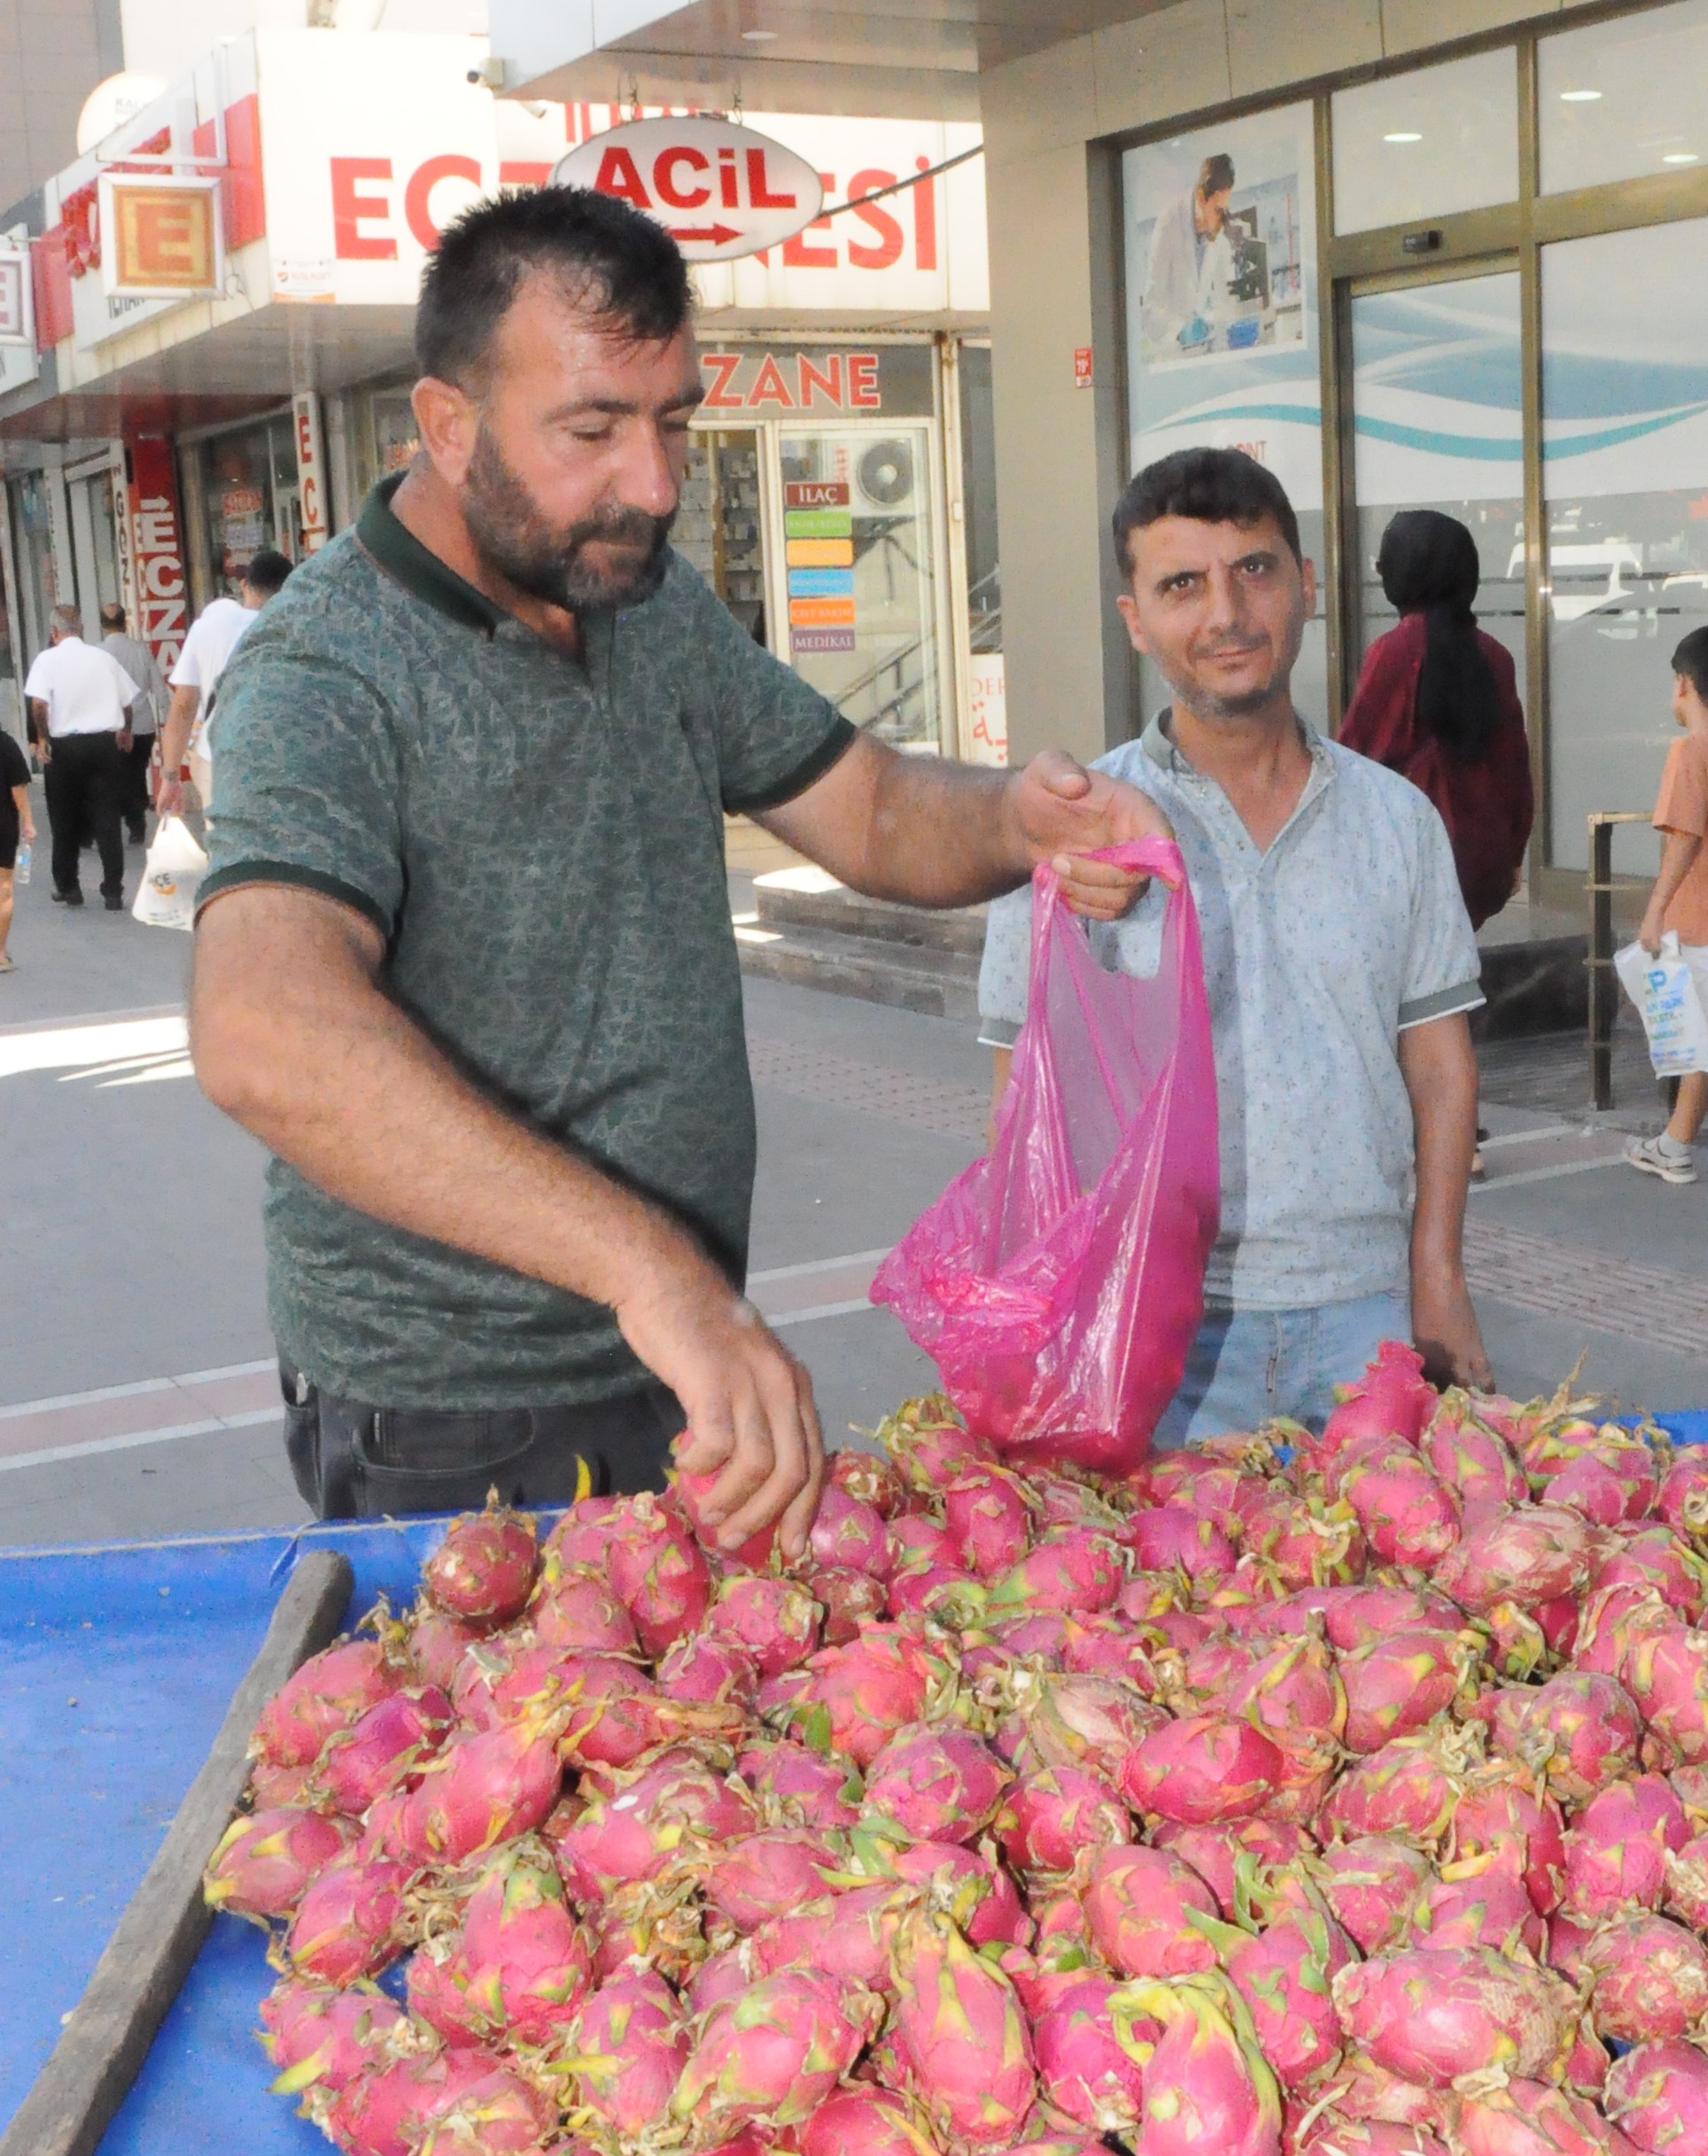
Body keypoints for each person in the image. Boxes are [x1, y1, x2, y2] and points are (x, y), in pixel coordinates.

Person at [187, 184, 1160, 1551]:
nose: (652, 486)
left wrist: (1019, 820)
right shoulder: (325, 670)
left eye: (675, 424)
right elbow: (261, 1029)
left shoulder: (639, 597)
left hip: (676, 1357)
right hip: (453, 1415)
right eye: (594, 430)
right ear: (449, 422)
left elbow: (869, 808)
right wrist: (649, 1268)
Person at [974, 444, 1491, 1443]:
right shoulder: (1076, 824)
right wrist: (1038, 1303)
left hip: (1363, 1311)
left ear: (1305, 584)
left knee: (1387, 1590)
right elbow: (1017, 1095)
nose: (1224, 613)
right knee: (1181, 1597)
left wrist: (1438, 1279)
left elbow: (1439, 1068)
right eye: (1181, 585)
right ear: (1135, 620)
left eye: (1252, 570)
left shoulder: (1395, 821)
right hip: (1151, 1319)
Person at [1336, 509, 1533, 929]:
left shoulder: (1396, 650)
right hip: (1479, 861)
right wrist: (1512, 855)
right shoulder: (1494, 654)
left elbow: (1355, 755)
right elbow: (1514, 768)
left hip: (1412, 862)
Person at [1625, 622, 1708, 1187]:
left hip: (1697, 924)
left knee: (1707, 1047)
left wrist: (1655, 909)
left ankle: (1694, 1149)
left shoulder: (1688, 753)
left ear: (1684, 683)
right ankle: (1674, 1143)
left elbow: (1683, 836)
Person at [157, 547, 291, 816]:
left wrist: (170, 778)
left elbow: (183, 707)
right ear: (289, 589)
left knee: (226, 846)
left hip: (217, 758)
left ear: (245, 586)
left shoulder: (207, 628)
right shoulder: (295, 626)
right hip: (281, 758)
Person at [22, 604, 137, 910]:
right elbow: (127, 703)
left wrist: (43, 737)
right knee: (107, 818)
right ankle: (113, 890)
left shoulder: (46, 660)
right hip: (103, 746)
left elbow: (37, 705)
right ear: (82, 628)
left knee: (64, 819)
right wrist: (125, 731)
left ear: (54, 631)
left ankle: (68, 886)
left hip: (65, 749)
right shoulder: (104, 658)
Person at [1138, 154, 1238, 355]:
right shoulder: (1169, 223)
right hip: (1170, 352)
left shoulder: (1216, 238)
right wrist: (1179, 330)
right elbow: (1150, 308)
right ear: (1201, 197)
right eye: (1218, 210)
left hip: (1200, 353)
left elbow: (1223, 299)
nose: (1221, 220)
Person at [96, 603, 163, 846]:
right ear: (126, 622)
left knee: (114, 776)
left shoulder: (98, 653)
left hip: (111, 726)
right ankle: (137, 825)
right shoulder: (140, 650)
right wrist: (166, 714)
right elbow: (158, 686)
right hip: (143, 724)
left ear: (102, 625)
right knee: (136, 773)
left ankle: (122, 819)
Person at [0, 720, 29, 972]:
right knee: (3, 888)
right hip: (3, 825)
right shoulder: (6, 744)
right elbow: (17, 788)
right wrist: (28, 822)